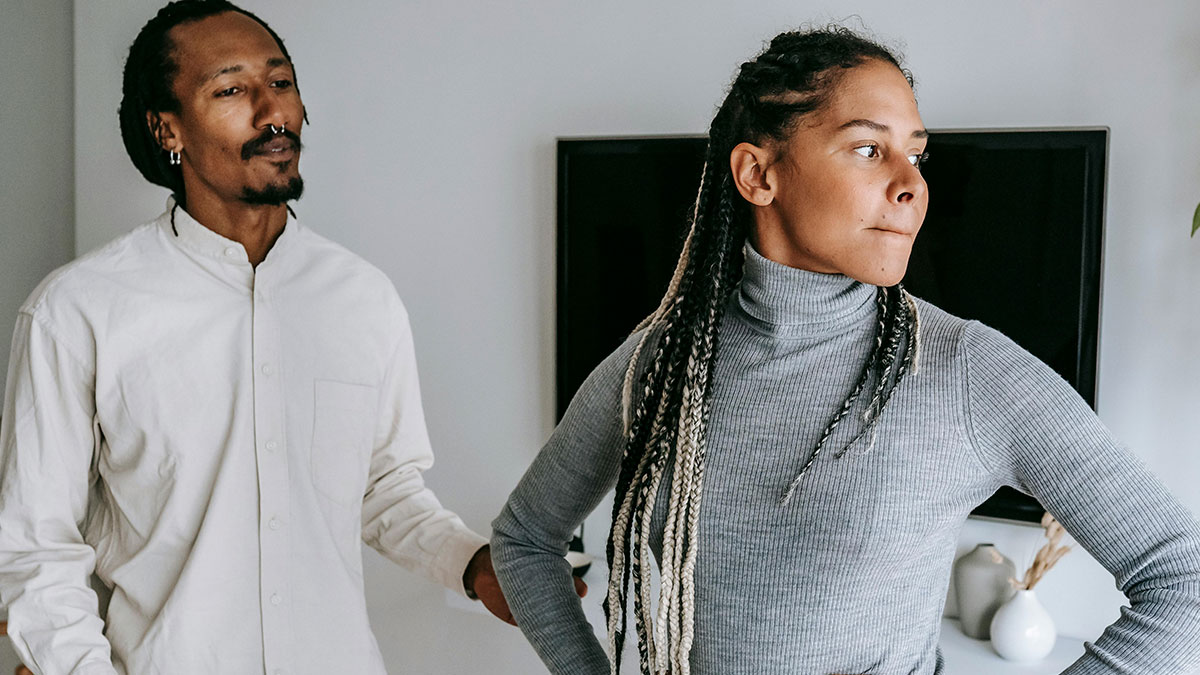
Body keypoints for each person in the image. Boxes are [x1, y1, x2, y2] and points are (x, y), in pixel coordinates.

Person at [490, 27, 1200, 675]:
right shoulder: (657, 366)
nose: (913, 184)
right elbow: (523, 540)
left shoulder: (967, 371)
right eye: (870, 148)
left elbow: (1183, 576)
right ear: (757, 175)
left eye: (917, 153)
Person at [0, 2, 520, 673]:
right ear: (168, 129)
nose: (272, 112)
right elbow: (35, 547)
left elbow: (382, 487)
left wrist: (474, 565)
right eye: (231, 90)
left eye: (280, 83)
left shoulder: (362, 298)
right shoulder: (77, 311)